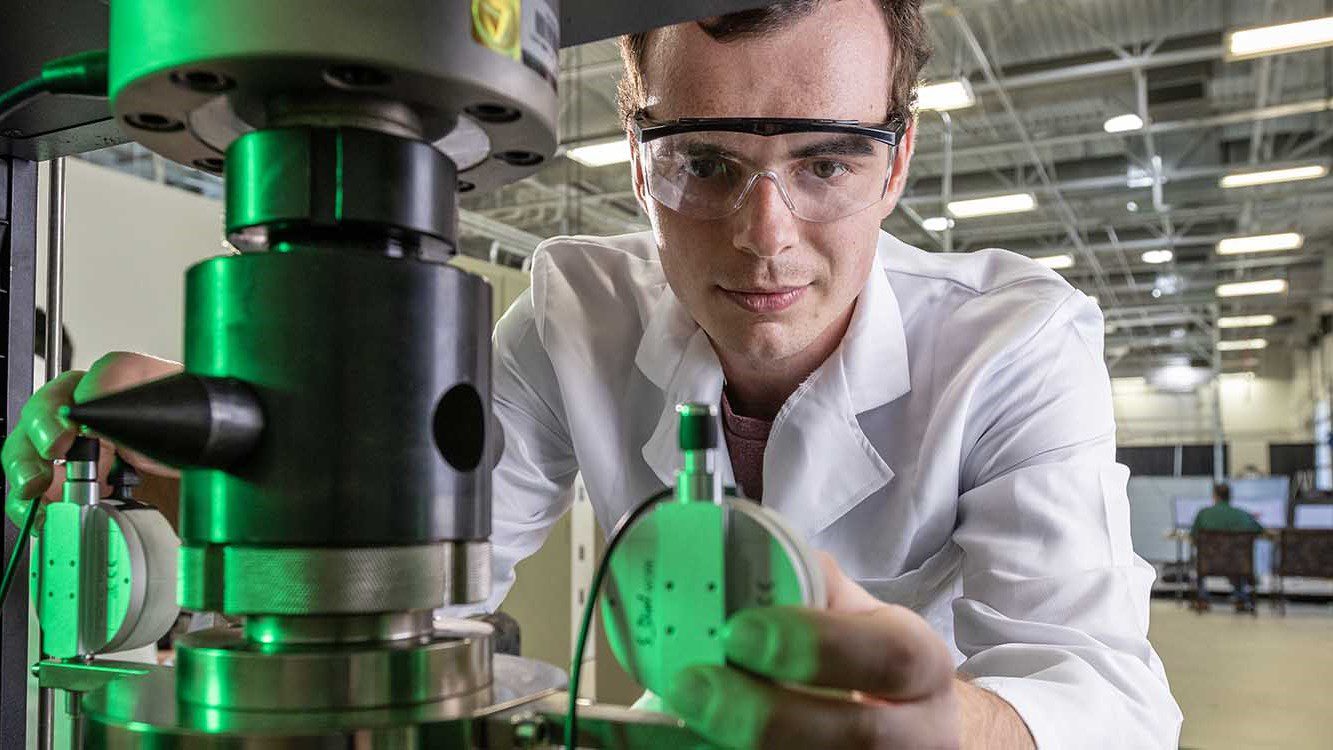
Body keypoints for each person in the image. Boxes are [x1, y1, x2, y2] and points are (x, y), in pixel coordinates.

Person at [4, 1, 1182, 747]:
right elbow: (437, 577)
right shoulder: (577, 308)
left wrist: (948, 728)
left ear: (896, 160)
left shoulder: (1014, 342)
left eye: (824, 161)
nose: (763, 236)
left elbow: (1103, 697)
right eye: (704, 164)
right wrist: (228, 488)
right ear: (633, 151)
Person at [1190, 482, 1263, 613]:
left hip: (1208, 564)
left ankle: (1202, 599)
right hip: (1238, 566)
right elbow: (1260, 531)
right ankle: (1240, 598)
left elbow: (1194, 538)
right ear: (1230, 496)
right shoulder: (1243, 515)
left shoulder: (1203, 514)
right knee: (1237, 558)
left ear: (1214, 496)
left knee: (1198, 558)